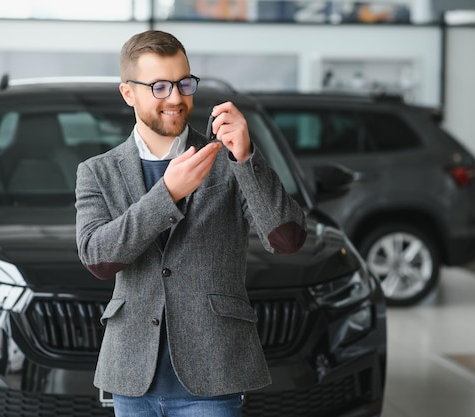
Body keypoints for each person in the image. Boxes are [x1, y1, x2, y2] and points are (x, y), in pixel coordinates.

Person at [75, 30, 307, 417]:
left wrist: (246, 157)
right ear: (128, 93)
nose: (177, 98)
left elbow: (287, 239)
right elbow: (98, 258)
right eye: (160, 86)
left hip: (213, 376)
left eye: (184, 83)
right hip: (132, 378)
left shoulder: (228, 158)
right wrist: (166, 194)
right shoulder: (97, 172)